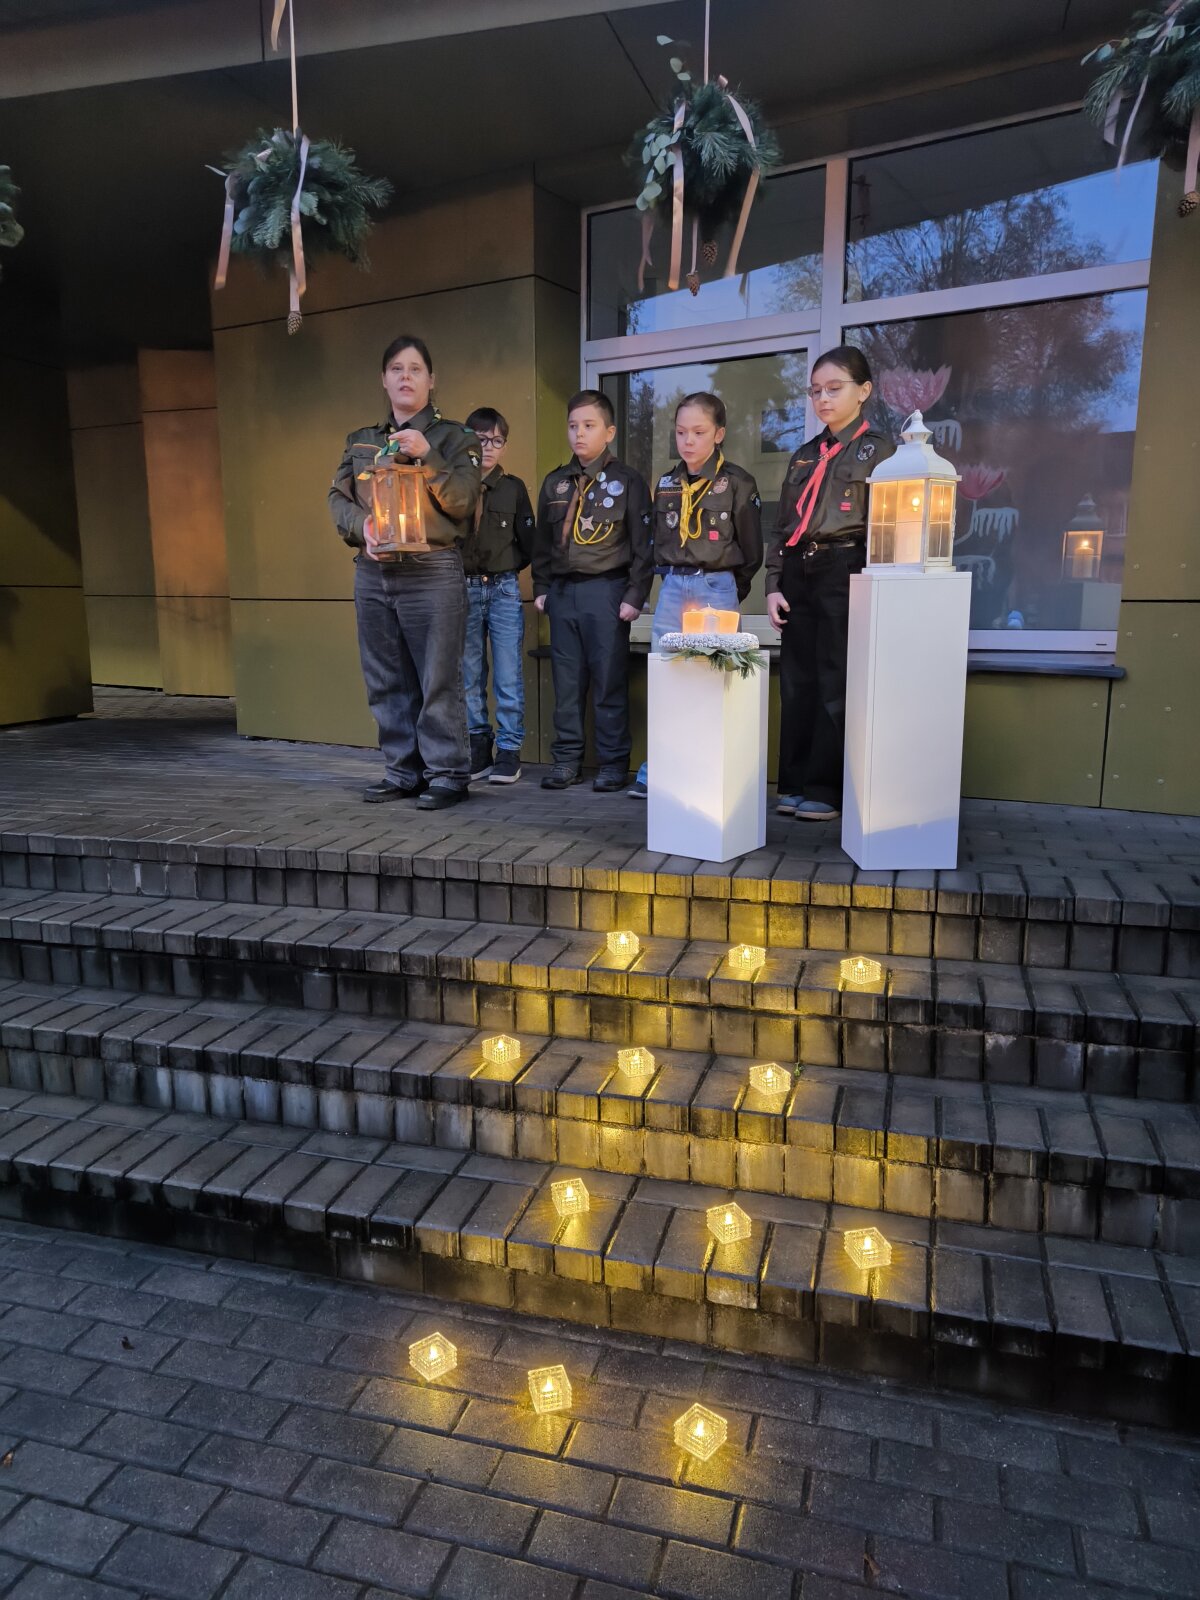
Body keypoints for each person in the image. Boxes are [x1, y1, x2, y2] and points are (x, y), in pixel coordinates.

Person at [329, 335, 481, 810]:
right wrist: (362, 527)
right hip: (373, 571)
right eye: (396, 369)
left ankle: (448, 774)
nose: (406, 377)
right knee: (385, 678)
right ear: (384, 379)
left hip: (431, 569)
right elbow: (337, 498)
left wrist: (428, 456)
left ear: (431, 380)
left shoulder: (456, 438)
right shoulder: (362, 441)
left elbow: (463, 502)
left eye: (415, 369)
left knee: (438, 678)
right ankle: (403, 771)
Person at [765, 347, 894, 821]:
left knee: (833, 678)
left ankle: (825, 787)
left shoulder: (881, 452)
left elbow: (887, 528)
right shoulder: (804, 456)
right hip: (799, 568)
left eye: (834, 388)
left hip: (846, 564)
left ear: (864, 391)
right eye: (815, 390)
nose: (822, 398)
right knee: (796, 679)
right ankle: (793, 782)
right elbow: (782, 526)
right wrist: (773, 583)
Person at [628, 392, 763, 798]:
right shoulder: (667, 483)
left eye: (699, 432)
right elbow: (656, 542)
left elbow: (751, 550)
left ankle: (709, 766)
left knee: (713, 677)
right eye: (681, 432)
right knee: (666, 673)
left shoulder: (737, 482)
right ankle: (661, 766)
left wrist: (728, 588)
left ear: (719, 434)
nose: (688, 441)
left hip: (716, 584)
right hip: (673, 585)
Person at [532, 390, 653, 792]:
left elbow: (643, 546)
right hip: (563, 593)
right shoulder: (555, 482)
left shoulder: (628, 481)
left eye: (588, 425)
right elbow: (543, 543)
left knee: (608, 682)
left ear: (609, 432)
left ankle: (613, 763)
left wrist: (634, 595)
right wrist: (542, 587)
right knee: (566, 684)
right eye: (573, 426)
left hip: (607, 592)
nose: (579, 434)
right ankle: (566, 761)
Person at [460, 407, 535, 786]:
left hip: (503, 588)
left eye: (497, 440)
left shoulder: (513, 488)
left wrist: (506, 569)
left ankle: (508, 749)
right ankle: (478, 745)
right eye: (481, 439)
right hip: (463, 588)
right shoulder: (454, 486)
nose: (489, 447)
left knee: (508, 673)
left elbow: (528, 543)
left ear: (505, 445)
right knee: (469, 673)